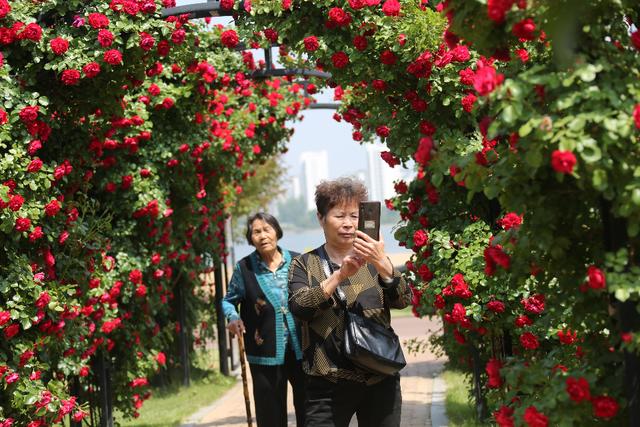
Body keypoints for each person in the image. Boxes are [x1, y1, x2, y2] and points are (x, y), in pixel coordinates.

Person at [288, 177, 411, 427]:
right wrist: (339, 276)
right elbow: (300, 307)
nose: (348, 224)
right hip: (326, 383)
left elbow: (404, 299)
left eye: (354, 216)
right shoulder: (304, 264)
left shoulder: (375, 261)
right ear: (321, 219)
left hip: (380, 378)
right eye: (339, 215)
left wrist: (384, 265)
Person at [223, 212, 306, 427]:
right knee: (270, 415)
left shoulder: (299, 261)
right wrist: (232, 317)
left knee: (310, 410)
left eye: (267, 230)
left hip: (303, 350)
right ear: (250, 238)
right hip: (264, 352)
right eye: (256, 232)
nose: (262, 236)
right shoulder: (244, 268)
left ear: (277, 232)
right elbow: (228, 301)